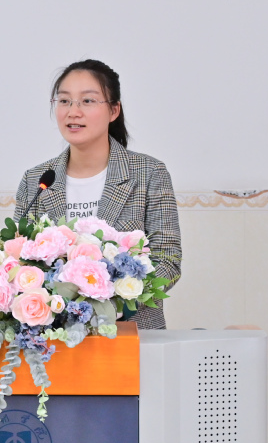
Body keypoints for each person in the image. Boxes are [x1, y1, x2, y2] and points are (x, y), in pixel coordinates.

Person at [13, 59, 182, 330]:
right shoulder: (36, 180)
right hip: (54, 338)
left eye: (88, 101)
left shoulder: (149, 173)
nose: (73, 112)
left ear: (114, 110)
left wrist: (110, 304)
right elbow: (19, 260)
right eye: (64, 101)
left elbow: (168, 261)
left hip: (132, 331)